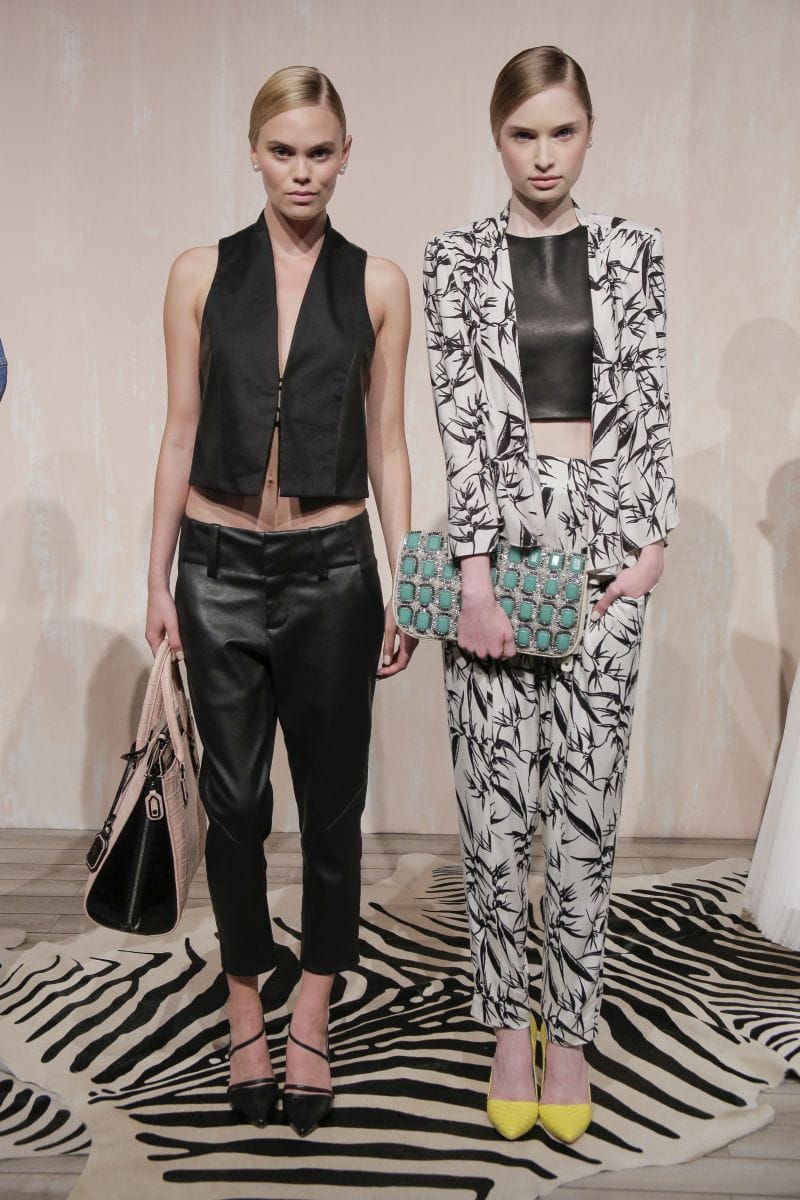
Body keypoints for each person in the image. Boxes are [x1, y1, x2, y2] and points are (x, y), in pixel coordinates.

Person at [145, 65, 415, 1135]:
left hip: (334, 571)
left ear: (345, 156)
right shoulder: (199, 273)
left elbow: (388, 445)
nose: (302, 172)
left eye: (320, 152)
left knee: (333, 809)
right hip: (214, 566)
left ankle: (312, 1011)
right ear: (253, 153)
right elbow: (178, 430)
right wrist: (155, 577)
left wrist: (406, 579)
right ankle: (244, 1005)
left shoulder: (379, 284)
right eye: (283, 151)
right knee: (235, 808)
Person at [423, 45, 677, 1142]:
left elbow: (650, 393)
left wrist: (652, 541)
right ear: (498, 136)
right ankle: (505, 1029)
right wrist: (472, 575)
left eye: (561, 131)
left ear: (588, 134)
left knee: (585, 808)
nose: (542, 154)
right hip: (498, 539)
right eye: (523, 133)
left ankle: (567, 1036)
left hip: (606, 540)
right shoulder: (452, 259)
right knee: (493, 812)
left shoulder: (632, 250)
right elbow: (458, 421)